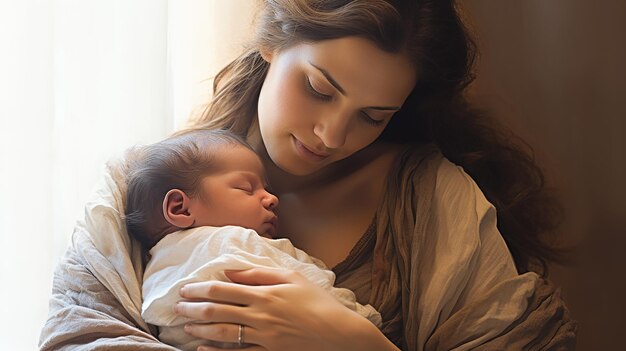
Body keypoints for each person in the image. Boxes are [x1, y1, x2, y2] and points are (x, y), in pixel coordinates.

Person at [40, 1, 577, 350]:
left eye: (373, 116)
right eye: (319, 89)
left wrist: (351, 341)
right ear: (271, 43)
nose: (332, 135)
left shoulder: (429, 198)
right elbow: (77, 337)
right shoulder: (138, 185)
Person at [124, 129, 381, 350]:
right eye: (247, 188)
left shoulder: (152, 269)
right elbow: (312, 287)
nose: (272, 199)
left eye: (266, 189)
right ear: (180, 208)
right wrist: (362, 321)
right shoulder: (238, 241)